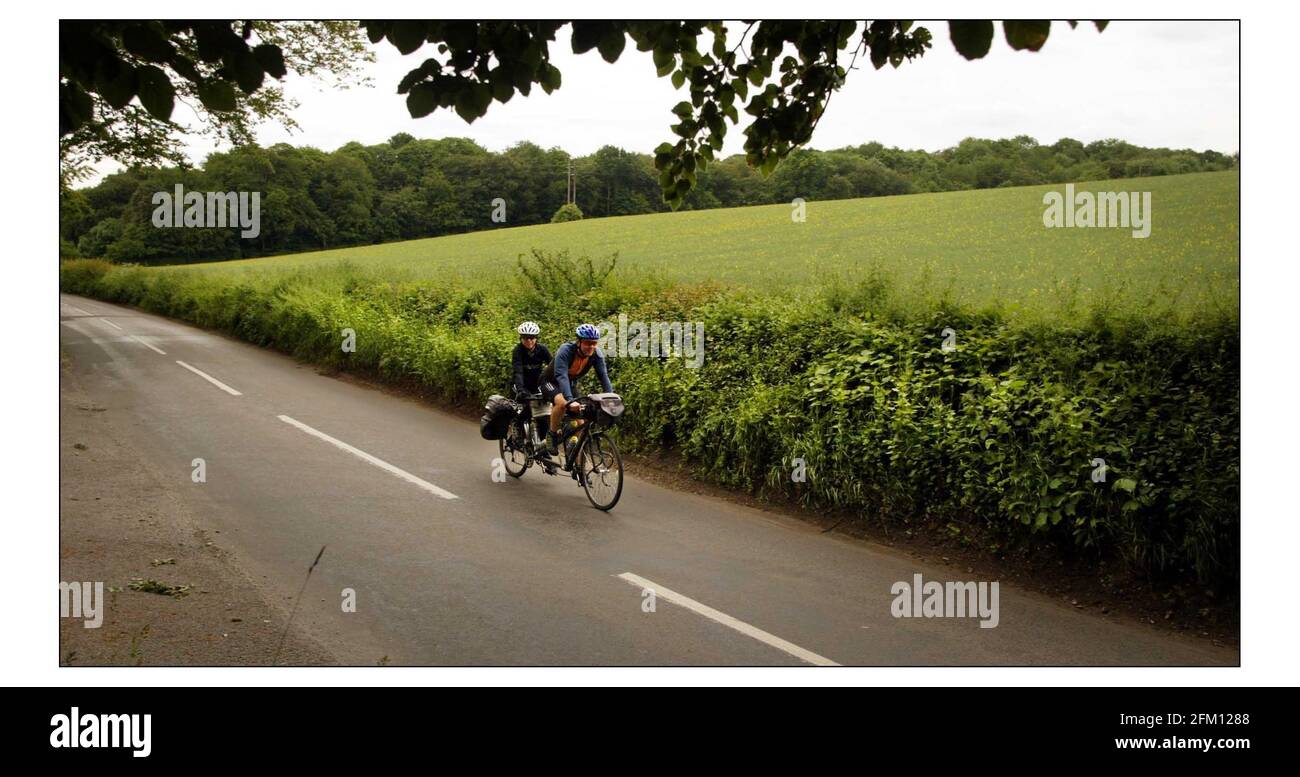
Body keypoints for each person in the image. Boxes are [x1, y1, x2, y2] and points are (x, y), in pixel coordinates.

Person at [538, 323, 613, 457]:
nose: (591, 347)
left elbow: (603, 376)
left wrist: (611, 397)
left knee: (581, 420)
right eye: (588, 343)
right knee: (562, 404)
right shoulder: (565, 350)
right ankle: (552, 435)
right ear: (578, 342)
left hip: (570, 384)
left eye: (594, 343)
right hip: (550, 382)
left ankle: (574, 447)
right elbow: (561, 376)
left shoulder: (596, 354)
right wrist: (570, 401)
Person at [510, 321, 551, 397]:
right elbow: (518, 372)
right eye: (525, 338)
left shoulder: (543, 349)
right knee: (520, 404)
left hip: (537, 382)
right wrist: (520, 389)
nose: (529, 341)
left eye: (531, 337)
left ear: (536, 338)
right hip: (521, 383)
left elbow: (553, 366)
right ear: (521, 338)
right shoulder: (517, 350)